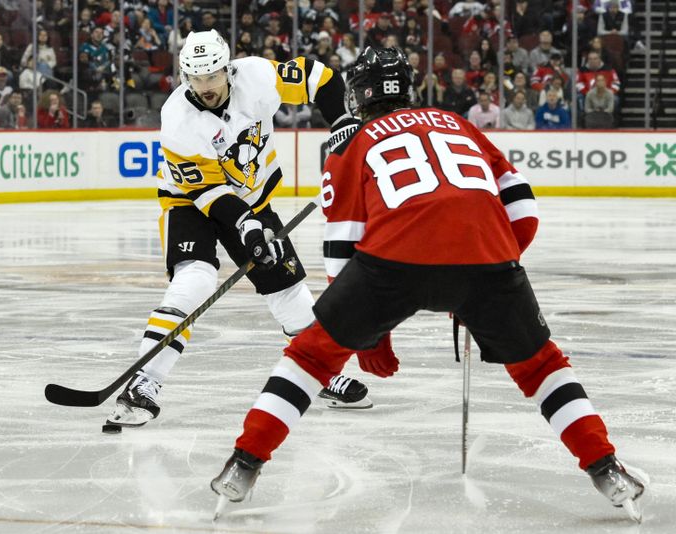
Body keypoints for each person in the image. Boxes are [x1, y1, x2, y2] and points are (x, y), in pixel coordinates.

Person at [210, 47, 646, 522]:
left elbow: (342, 242)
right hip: (488, 260)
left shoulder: (351, 144)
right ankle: (607, 469)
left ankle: (243, 465)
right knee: (542, 367)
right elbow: (523, 206)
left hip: (392, 263)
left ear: (362, 94)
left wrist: (362, 334)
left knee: (311, 359)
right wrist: (492, 269)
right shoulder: (459, 124)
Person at [105, 30, 379, 428]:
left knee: (285, 286)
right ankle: (144, 381)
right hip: (190, 201)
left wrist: (341, 120)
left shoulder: (258, 77)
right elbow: (208, 191)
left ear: (227, 70)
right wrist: (246, 227)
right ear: (185, 78)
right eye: (197, 79)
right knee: (194, 280)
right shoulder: (178, 119)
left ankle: (321, 370)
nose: (206, 87)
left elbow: (320, 76)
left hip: (253, 197)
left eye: (212, 76)